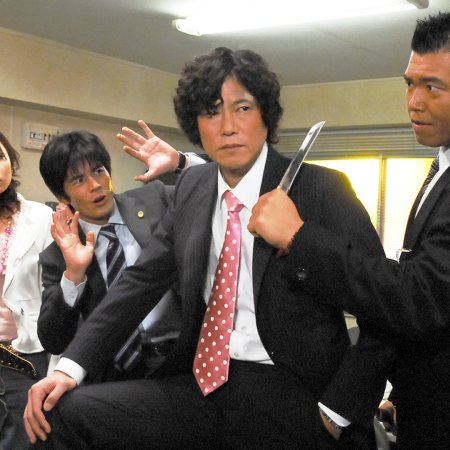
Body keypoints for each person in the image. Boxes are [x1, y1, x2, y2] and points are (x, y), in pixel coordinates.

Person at [24, 47, 394, 449]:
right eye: (211, 112)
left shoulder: (321, 189)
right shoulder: (192, 187)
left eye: (243, 108)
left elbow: (384, 309)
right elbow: (140, 282)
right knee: (61, 411)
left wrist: (337, 411)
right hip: (203, 381)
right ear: (195, 125)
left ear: (266, 115)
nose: (228, 127)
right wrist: (69, 369)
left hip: (295, 389)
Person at [193, 12, 450, 450]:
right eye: (410, 83)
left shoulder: (323, 189)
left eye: (433, 87)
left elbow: (415, 297)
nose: (413, 101)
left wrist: (299, 237)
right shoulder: (440, 163)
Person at [37, 129, 190, 381]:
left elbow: (212, 192)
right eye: (79, 180)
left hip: (180, 356)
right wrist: (74, 274)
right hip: (114, 375)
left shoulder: (155, 200)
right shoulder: (57, 256)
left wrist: (182, 163)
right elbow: (53, 340)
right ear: (62, 196)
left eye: (99, 171)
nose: (95, 184)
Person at [0, 132, 53, 449]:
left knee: (24, 440)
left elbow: (56, 293)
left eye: (0, 157)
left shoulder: (41, 217)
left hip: (24, 355)